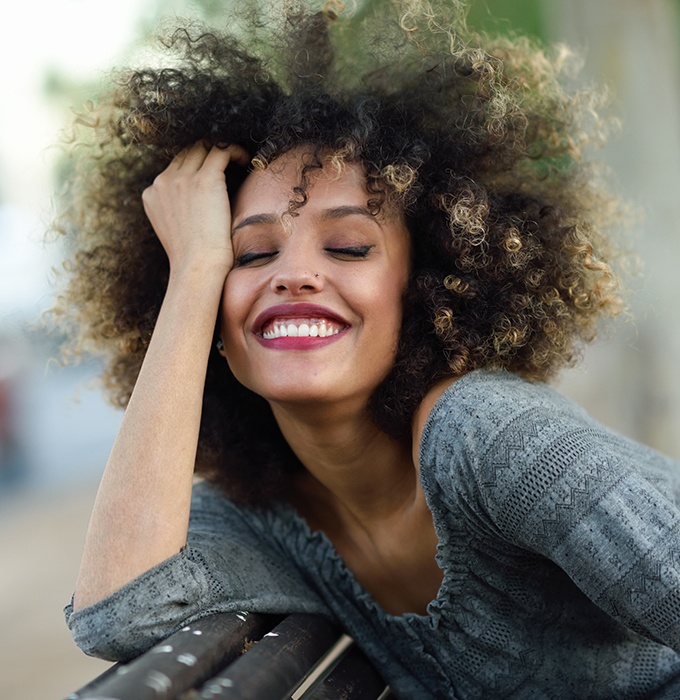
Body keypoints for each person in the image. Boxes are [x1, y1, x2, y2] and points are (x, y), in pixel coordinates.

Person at [57, 1, 680, 697]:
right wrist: (195, 272)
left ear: (420, 291)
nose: (293, 273)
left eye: (349, 245)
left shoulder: (493, 440)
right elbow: (118, 615)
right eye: (251, 253)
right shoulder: (263, 518)